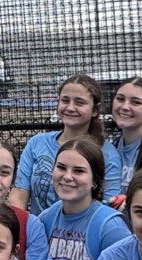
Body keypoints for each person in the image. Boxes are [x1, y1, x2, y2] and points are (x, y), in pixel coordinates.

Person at [13, 74, 114, 214]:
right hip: (38, 230)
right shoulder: (37, 143)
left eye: (79, 102)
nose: (70, 108)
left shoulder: (108, 153)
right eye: (65, 100)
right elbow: (19, 193)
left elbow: (109, 204)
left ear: (95, 110)